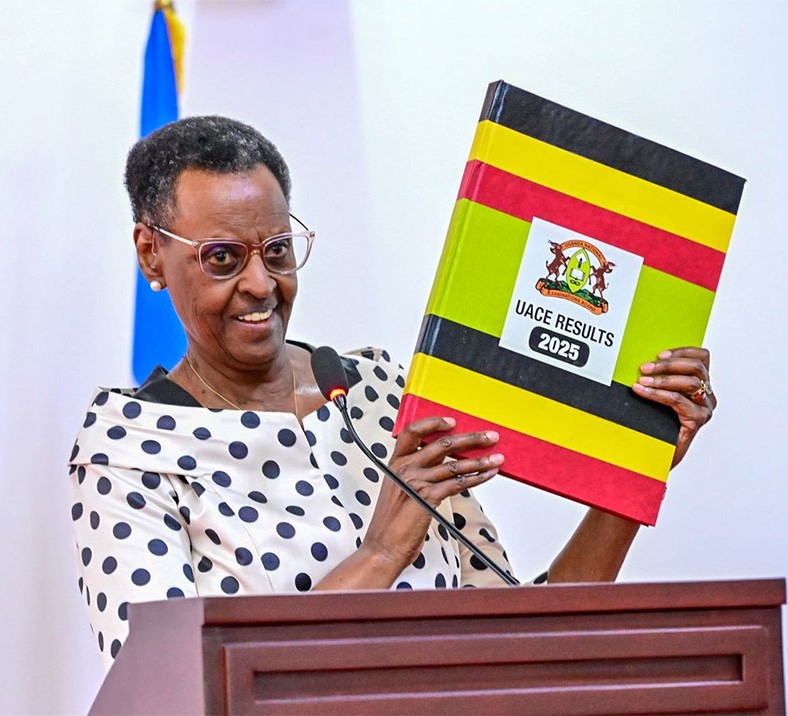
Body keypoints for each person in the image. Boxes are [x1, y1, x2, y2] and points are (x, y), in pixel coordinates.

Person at [68, 116, 716, 670]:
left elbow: (525, 643)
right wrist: (381, 553)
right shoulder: (127, 449)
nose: (262, 284)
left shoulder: (378, 390)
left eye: (278, 250)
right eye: (222, 258)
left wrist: (638, 465)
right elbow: (173, 692)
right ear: (151, 255)